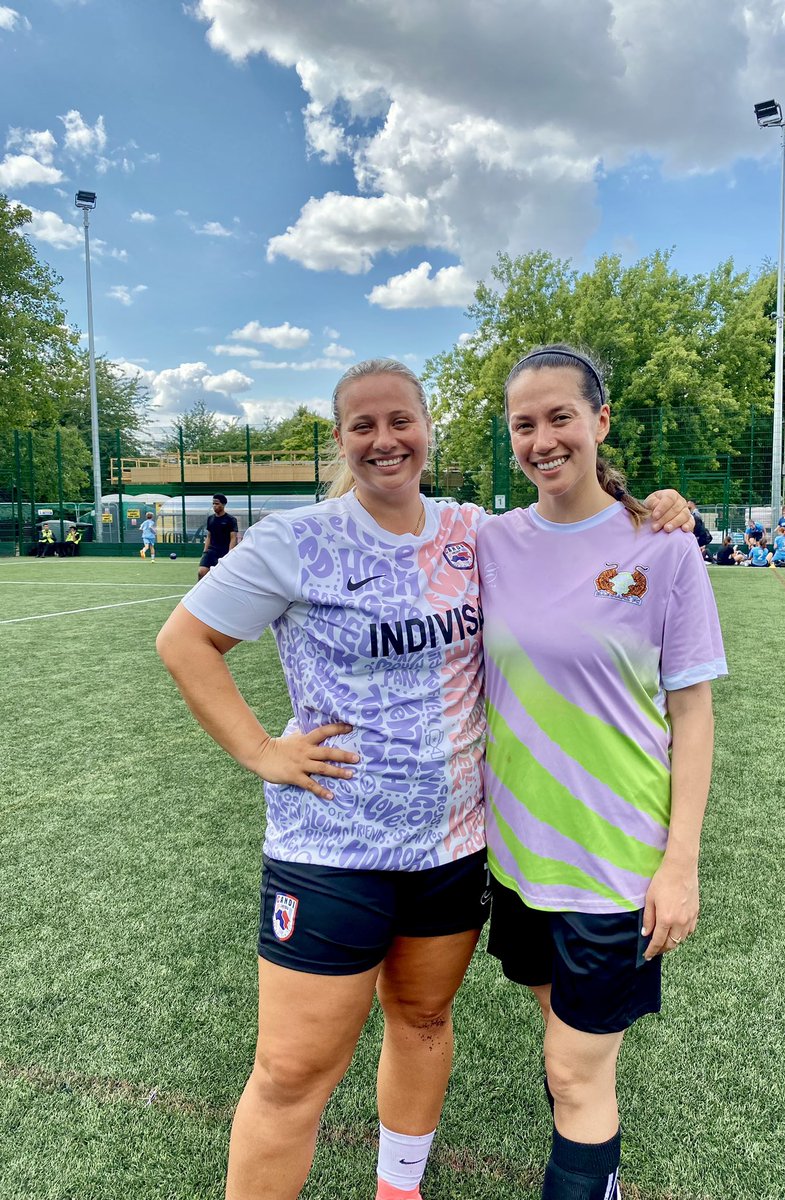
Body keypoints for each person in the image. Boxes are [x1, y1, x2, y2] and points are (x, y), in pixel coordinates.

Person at [155, 357, 692, 1200]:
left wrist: (654, 509)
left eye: (400, 420)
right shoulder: (297, 539)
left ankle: (397, 1189)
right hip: (331, 849)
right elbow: (185, 642)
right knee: (292, 1070)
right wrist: (262, 750)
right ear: (340, 440)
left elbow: (572, 527)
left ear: (428, 429)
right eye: (363, 425)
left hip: (451, 846)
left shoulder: (473, 532)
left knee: (424, 1019)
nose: (385, 440)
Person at [479, 345, 727, 1200]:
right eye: (524, 424)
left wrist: (681, 862)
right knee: (565, 1048)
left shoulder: (664, 549)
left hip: (616, 864)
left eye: (561, 417)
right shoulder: (489, 541)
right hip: (517, 861)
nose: (543, 440)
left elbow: (693, 712)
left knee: (574, 1072)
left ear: (600, 421)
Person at [198, 493, 239, 580]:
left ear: (223, 505)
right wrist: (205, 552)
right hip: (211, 551)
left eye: (217, 503)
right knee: (201, 572)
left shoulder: (231, 520)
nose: (214, 506)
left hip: (223, 552)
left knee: (222, 577)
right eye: (213, 503)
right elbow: (209, 536)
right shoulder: (210, 518)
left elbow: (233, 538)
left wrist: (230, 554)